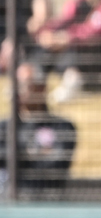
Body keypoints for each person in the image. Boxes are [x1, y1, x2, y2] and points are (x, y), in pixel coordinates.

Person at [0, 63, 77, 195]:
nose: (19, 90)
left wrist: (17, 155)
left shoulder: (62, 126)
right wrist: (35, 153)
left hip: (48, 202)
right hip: (9, 203)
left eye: (24, 84)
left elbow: (56, 165)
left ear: (41, 88)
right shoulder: (3, 127)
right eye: (15, 84)